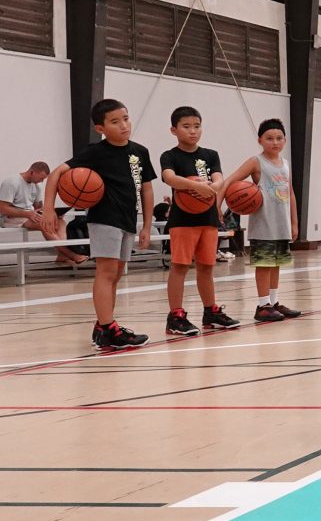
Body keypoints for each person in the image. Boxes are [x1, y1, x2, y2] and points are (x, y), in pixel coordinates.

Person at [42, 99, 157, 349]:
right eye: (115, 122)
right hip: (105, 219)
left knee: (115, 275)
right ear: (100, 128)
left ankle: (104, 325)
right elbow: (56, 174)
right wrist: (49, 209)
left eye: (125, 118)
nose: (124, 125)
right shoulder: (95, 152)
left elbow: (146, 190)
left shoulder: (140, 151)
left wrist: (146, 226)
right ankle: (108, 328)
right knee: (106, 273)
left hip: (128, 220)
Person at [160, 106, 240, 335]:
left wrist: (214, 186)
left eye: (197, 126)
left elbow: (219, 178)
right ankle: (176, 316)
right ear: (174, 130)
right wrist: (195, 186)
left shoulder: (210, 155)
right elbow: (169, 177)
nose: (193, 131)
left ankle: (210, 311)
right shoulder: (170, 156)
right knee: (180, 266)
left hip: (208, 219)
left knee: (206, 267)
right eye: (186, 127)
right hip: (183, 220)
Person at [221, 118, 300, 323]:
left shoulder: (286, 164)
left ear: (285, 140)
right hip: (263, 224)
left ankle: (273, 302)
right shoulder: (256, 162)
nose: (275, 142)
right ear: (260, 140)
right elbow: (229, 181)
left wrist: (294, 222)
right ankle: (262, 305)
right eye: (269, 138)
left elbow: (290, 193)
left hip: (281, 224)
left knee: (276, 264)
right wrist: (218, 206)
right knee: (264, 264)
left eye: (279, 138)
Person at [0, 161, 88, 264]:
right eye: (41, 178)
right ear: (32, 172)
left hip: (30, 215)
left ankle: (62, 255)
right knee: (46, 224)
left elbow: (38, 207)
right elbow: (3, 208)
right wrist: (27, 214)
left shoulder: (36, 185)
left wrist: (53, 213)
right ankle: (71, 254)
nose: (41, 181)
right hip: (10, 217)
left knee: (60, 221)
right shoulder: (12, 182)